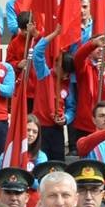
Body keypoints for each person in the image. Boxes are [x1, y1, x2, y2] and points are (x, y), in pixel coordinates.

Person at [31, 25, 76, 161]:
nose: (57, 69)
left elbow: (71, 108)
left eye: (62, 70)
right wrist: (54, 34)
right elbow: (38, 52)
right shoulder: (44, 74)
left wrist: (66, 119)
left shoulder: (68, 85)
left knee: (57, 163)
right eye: (57, 65)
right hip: (40, 128)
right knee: (40, 162)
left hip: (57, 129)